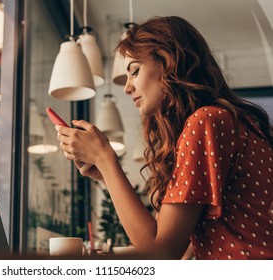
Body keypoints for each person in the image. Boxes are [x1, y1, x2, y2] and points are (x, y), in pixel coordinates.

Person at [55, 16, 273, 260]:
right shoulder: (228, 120)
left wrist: (106, 158)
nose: (127, 87)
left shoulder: (205, 121)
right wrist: (106, 172)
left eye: (135, 71)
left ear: (168, 63)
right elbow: (174, 238)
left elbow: (159, 253)